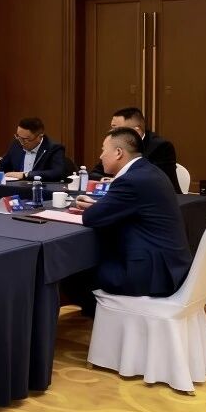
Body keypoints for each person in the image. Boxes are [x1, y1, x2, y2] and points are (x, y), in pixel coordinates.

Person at [61, 128, 192, 315]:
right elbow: (131, 207)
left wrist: (96, 209)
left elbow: (90, 218)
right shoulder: (149, 171)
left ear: (118, 153)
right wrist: (100, 206)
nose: (100, 156)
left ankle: (107, 321)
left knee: (71, 271)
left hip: (150, 276)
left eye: (103, 150)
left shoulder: (130, 180)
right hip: (171, 267)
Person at [89, 107, 182, 193]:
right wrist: (105, 180)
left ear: (136, 131)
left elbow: (156, 181)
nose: (111, 133)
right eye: (112, 128)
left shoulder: (161, 146)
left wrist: (118, 181)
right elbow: (94, 174)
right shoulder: (115, 145)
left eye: (118, 130)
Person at [0, 117, 68, 181]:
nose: (21, 142)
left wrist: (25, 175)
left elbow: (58, 173)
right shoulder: (16, 143)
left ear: (39, 137)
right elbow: (3, 165)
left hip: (40, 190)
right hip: (16, 188)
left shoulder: (53, 148)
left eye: (25, 139)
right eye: (18, 137)